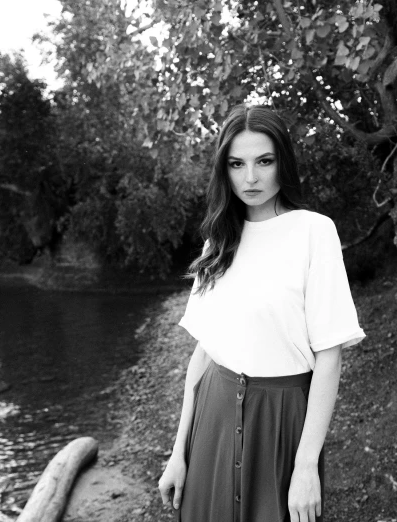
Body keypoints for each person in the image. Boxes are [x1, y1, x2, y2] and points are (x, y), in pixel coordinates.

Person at [157, 104, 365, 522]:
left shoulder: (313, 231)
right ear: (224, 169)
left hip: (282, 419)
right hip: (212, 417)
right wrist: (178, 452)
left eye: (263, 161)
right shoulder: (217, 241)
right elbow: (204, 353)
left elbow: (329, 355)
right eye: (237, 164)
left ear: (281, 162)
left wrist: (306, 466)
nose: (250, 178)